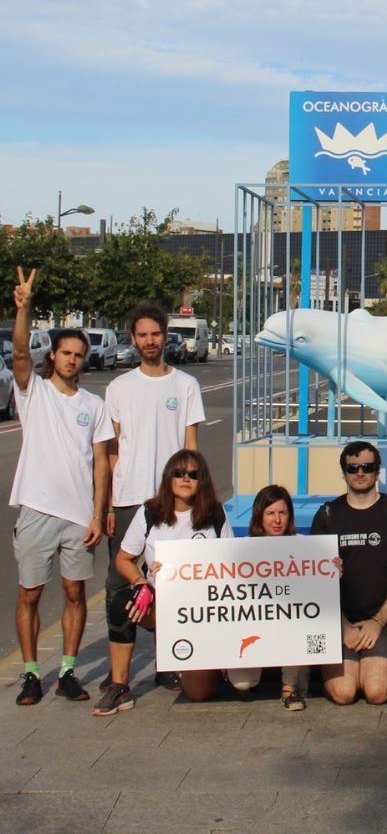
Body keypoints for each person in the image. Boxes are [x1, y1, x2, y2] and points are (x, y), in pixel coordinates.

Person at [8, 268, 114, 705]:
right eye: (64, 353)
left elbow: (102, 463)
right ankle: (31, 673)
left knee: (75, 593)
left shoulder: (94, 404)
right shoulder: (34, 392)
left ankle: (68, 671)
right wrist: (23, 308)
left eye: (77, 354)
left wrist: (97, 512)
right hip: (37, 510)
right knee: (30, 594)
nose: (71, 359)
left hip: (78, 518)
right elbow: (17, 354)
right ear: (51, 356)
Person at [103, 303, 205, 693]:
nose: (149, 341)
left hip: (173, 503)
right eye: (142, 335)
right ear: (133, 339)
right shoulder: (118, 388)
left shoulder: (185, 386)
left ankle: (170, 663)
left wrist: (193, 497)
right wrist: (111, 505)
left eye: (156, 334)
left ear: (166, 336)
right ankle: (120, 679)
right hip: (130, 500)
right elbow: (113, 452)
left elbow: (191, 448)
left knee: (174, 585)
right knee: (122, 586)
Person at [94, 449, 233, 716]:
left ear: (202, 480)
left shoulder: (215, 514)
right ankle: (119, 685)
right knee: (121, 603)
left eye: (193, 474)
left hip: (204, 610)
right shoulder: (150, 512)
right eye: (178, 473)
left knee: (199, 693)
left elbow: (229, 562)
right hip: (161, 605)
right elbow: (124, 559)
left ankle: (205, 664)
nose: (185, 479)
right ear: (168, 478)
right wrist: (140, 583)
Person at [179, 485, 315, 711]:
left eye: (283, 513)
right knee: (242, 683)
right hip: (256, 627)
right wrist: (167, 570)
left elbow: (318, 588)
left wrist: (330, 570)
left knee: (297, 625)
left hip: (288, 624)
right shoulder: (243, 550)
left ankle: (290, 688)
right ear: (259, 516)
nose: (277, 520)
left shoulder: (303, 546)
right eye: (270, 513)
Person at [309, 441, 387, 705]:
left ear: (377, 471)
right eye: (353, 468)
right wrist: (342, 625)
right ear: (344, 472)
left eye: (367, 467)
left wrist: (379, 622)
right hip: (338, 619)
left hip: (383, 620)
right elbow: (313, 578)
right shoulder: (327, 514)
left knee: (376, 692)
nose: (360, 473)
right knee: (343, 693)